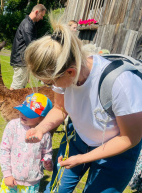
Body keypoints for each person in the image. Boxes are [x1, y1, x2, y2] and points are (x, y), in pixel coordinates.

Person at [24, 12, 142, 193]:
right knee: (55, 190)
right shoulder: (66, 73)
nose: (50, 86)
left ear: (70, 72)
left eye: (50, 82)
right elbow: (59, 108)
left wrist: (83, 158)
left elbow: (129, 138)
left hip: (117, 154)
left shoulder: (121, 83)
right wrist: (41, 129)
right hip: (77, 140)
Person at [0, 93, 53, 193]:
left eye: (29, 114)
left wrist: (48, 163)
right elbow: (4, 151)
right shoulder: (13, 126)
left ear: (41, 118)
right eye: (23, 111)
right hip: (12, 179)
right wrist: (7, 174)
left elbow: (47, 153)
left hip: (32, 183)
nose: (23, 115)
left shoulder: (45, 135)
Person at [10, 4, 47, 90]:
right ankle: (9, 103)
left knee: (21, 86)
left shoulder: (30, 24)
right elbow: (31, 44)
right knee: (17, 87)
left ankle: (14, 103)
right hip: (20, 61)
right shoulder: (27, 25)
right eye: (41, 15)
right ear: (37, 12)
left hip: (23, 60)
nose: (42, 18)